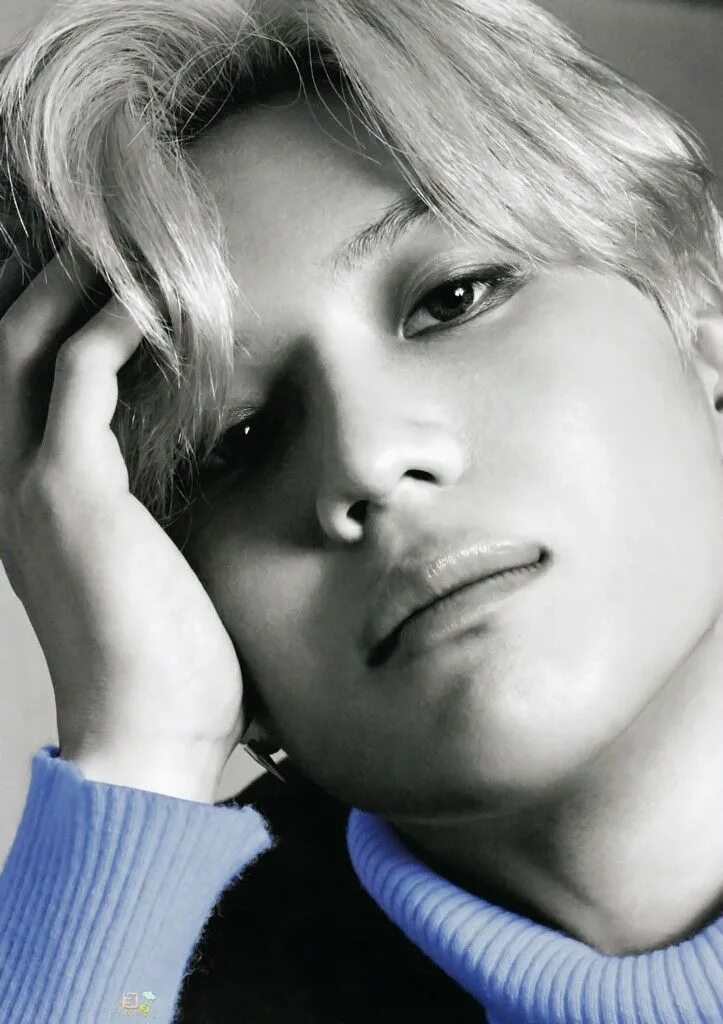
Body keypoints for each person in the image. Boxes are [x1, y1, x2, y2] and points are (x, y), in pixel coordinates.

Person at [0, 0, 721, 1020]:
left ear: (703, 335)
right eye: (235, 441)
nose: (368, 461)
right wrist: (135, 757)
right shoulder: (136, 988)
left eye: (453, 299)